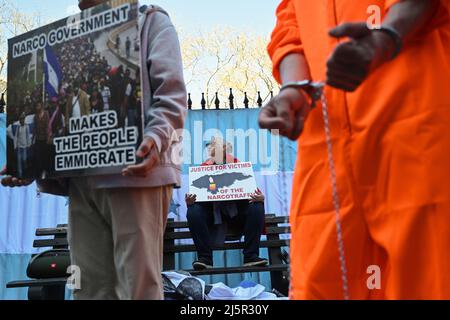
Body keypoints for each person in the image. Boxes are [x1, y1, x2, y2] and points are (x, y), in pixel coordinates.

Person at [259, 0, 450, 299]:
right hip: (325, 145)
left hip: (412, 124)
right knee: (319, 284)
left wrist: (384, 39)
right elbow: (289, 29)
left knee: (427, 279)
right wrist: (295, 88)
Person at [2, 0, 187, 300]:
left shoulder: (151, 21)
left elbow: (172, 96)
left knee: (137, 288)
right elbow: (61, 121)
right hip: (82, 183)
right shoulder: (71, 37)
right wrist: (30, 165)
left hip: (136, 174)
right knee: (87, 289)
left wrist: (155, 136)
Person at [185, 137, 268, 270]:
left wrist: (261, 197)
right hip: (213, 217)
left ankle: (251, 256)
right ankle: (205, 258)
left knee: (257, 206)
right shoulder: (204, 168)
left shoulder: (237, 165)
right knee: (193, 210)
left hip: (236, 215)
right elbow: (196, 194)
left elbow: (252, 190)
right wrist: (190, 202)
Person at [33, 102, 50, 178]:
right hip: (38, 138)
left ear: (41, 106)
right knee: (38, 156)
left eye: (38, 106)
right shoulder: (35, 116)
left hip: (45, 138)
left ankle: (45, 170)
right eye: (36, 106)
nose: (37, 107)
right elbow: (35, 127)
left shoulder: (46, 114)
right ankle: (39, 172)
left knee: (45, 155)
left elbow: (48, 126)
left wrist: (48, 136)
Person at [13, 113, 32, 178]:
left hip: (25, 147)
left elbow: (28, 136)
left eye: (23, 119)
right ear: (20, 120)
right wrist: (15, 146)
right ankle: (20, 175)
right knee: (19, 161)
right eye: (21, 119)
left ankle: (25, 172)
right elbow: (16, 137)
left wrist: (29, 145)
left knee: (24, 160)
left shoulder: (27, 126)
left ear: (24, 120)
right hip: (19, 147)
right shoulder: (18, 127)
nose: (22, 120)